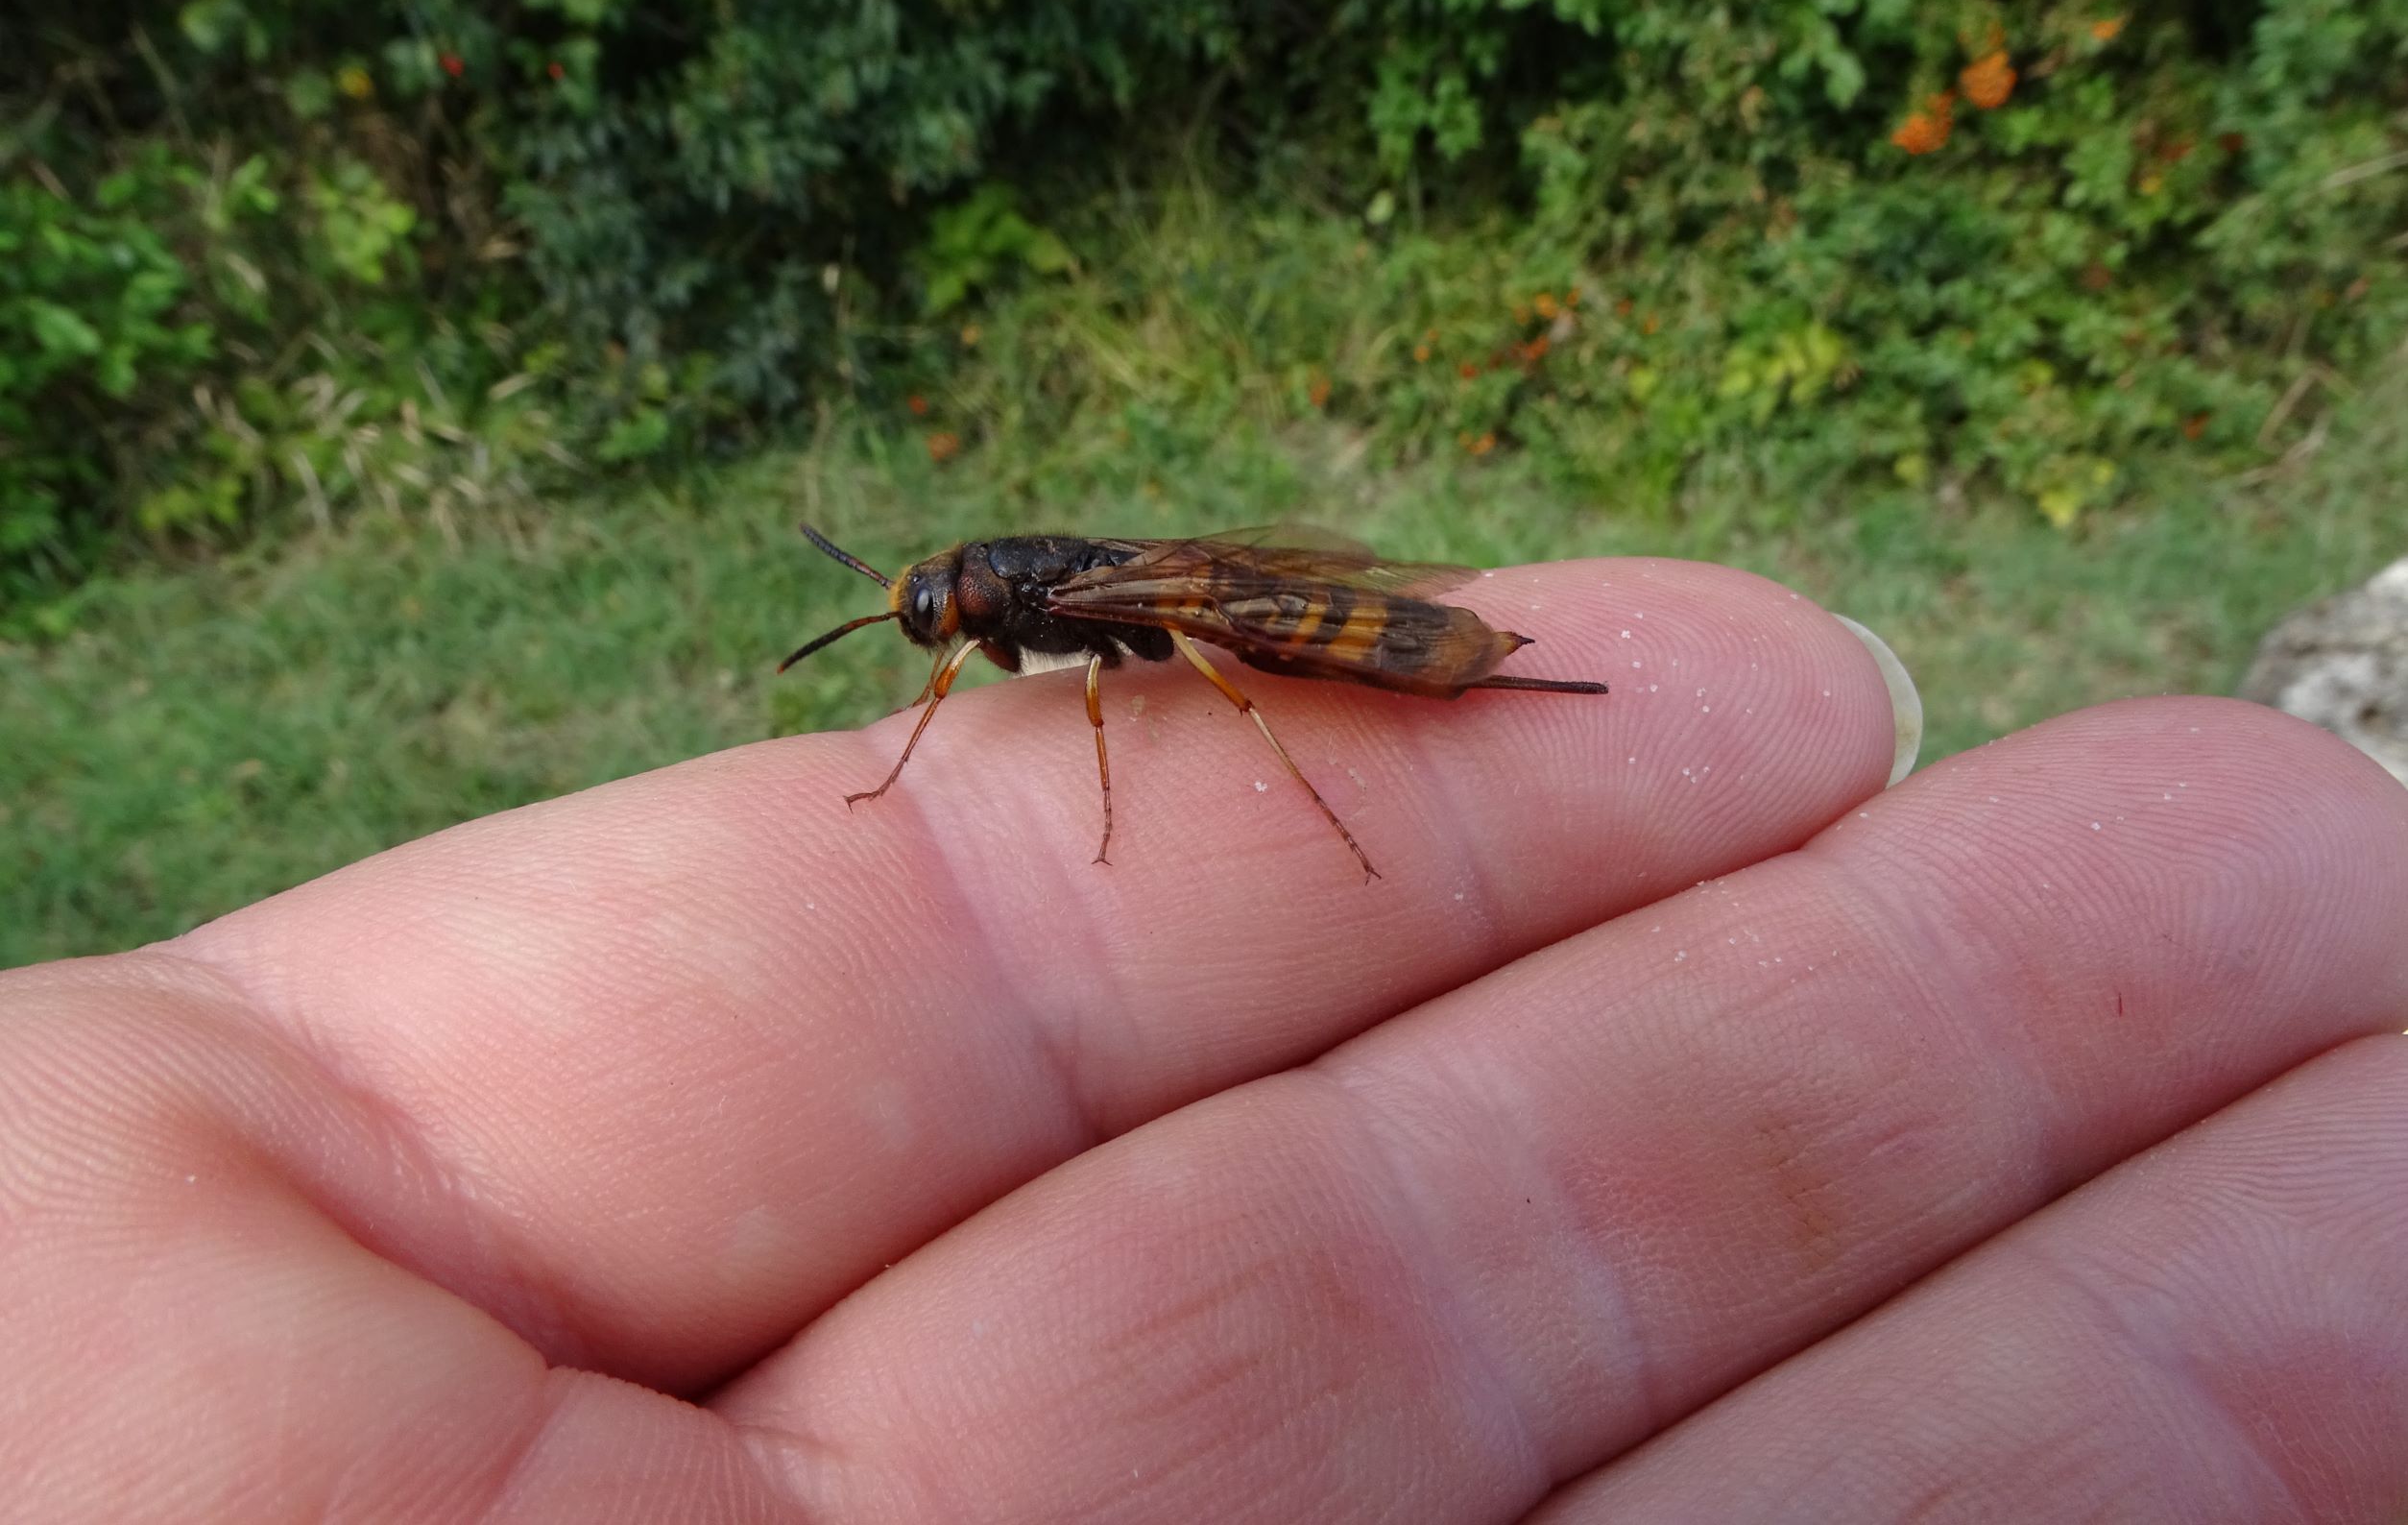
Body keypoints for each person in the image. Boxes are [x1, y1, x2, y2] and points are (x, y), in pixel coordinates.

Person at [4, 557, 2404, 1524]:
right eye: (934, 632)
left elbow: (1133, 672)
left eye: (937, 626)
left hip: (1272, 625)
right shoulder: (1020, 627)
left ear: (988, 615)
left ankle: (1461, 672)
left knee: (1274, 668)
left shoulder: (1080, 628)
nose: (933, 647)